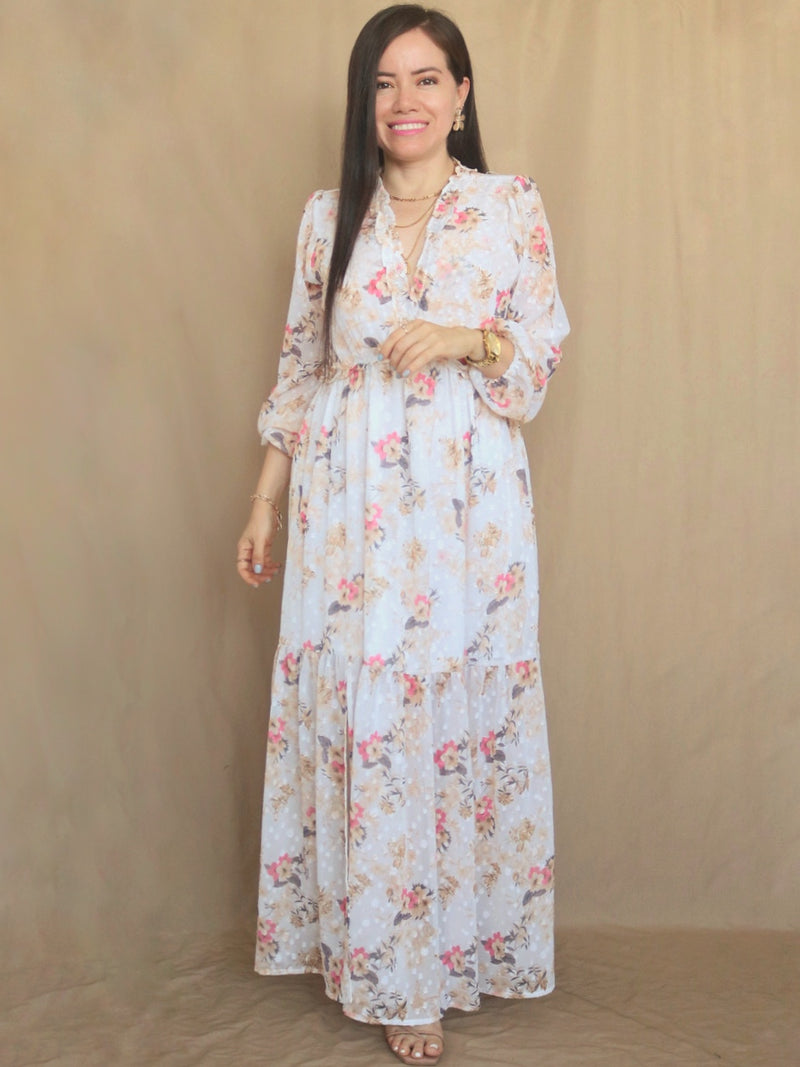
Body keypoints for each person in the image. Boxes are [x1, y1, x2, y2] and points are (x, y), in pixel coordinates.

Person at [236, 5, 569, 1063]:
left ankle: (451, 954)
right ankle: (394, 972)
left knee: (459, 716)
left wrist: (468, 338)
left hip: (468, 519)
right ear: (363, 101)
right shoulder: (328, 217)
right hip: (350, 517)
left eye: (426, 80)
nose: (404, 101)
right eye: (383, 83)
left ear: (461, 95)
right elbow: (303, 366)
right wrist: (264, 496)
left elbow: (538, 359)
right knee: (371, 721)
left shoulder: (508, 207)